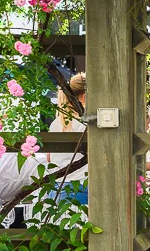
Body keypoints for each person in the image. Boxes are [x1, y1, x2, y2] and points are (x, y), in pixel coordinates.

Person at [49, 73, 90, 204]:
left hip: (56, 188)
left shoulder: (56, 124)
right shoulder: (87, 125)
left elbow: (49, 158)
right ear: (84, 97)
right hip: (81, 188)